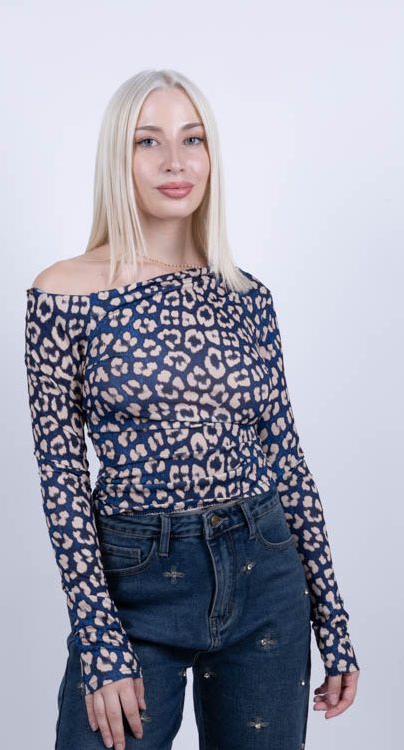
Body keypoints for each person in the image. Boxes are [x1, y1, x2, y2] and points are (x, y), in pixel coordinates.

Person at [24, 69, 360, 750]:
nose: (175, 162)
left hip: (264, 572)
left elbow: (286, 460)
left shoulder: (247, 297)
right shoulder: (64, 294)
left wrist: (333, 619)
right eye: (148, 141)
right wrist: (99, 638)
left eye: (192, 139)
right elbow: (61, 475)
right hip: (136, 584)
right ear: (118, 158)